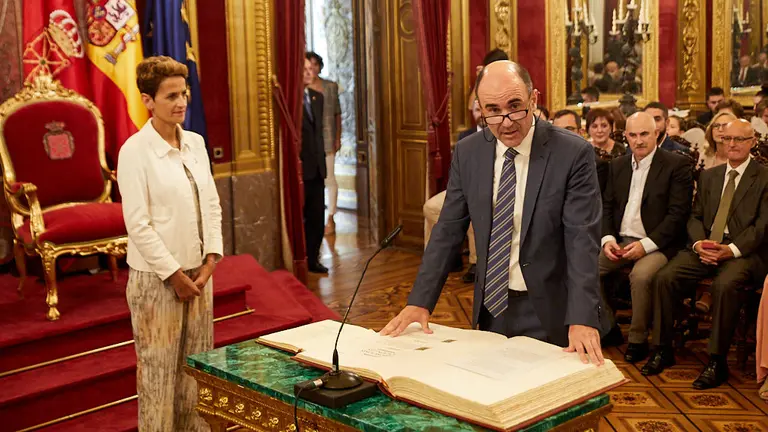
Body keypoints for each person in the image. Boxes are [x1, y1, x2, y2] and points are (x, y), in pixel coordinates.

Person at [381, 61, 606, 366]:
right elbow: (447, 230)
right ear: (481, 110)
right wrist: (420, 300)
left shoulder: (572, 153)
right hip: (492, 306)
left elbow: (582, 241)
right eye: (493, 110)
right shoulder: (469, 152)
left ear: (534, 99)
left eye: (516, 106)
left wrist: (582, 316)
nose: (506, 121)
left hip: (551, 309)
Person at [117, 56, 223, 430]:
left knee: (198, 374)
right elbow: (139, 226)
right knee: (159, 378)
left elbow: (211, 203)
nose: (181, 102)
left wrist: (211, 260)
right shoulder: (134, 151)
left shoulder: (195, 143)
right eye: (171, 96)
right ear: (148, 100)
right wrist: (175, 275)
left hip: (200, 277)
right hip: (157, 282)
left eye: (185, 93)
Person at [642, 119, 768, 390]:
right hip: (705, 248)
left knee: (724, 285)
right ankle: (662, 349)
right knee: (665, 277)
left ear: (752, 142)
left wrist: (730, 250)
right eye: (727, 139)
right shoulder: (710, 176)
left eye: (739, 139)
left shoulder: (764, 177)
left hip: (744, 254)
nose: (732, 144)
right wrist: (700, 243)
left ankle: (716, 360)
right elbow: (694, 216)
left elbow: (762, 227)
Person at [599, 112, 693, 363]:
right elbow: (606, 207)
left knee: (640, 277)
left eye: (644, 134)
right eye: (633, 135)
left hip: (658, 244)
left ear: (657, 134)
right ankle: (608, 328)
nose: (638, 141)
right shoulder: (617, 165)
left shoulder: (676, 165)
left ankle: (638, 340)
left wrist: (645, 246)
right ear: (625, 136)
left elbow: (677, 216)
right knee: (583, 266)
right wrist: (608, 239)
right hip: (620, 241)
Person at [423, 98, 483, 283]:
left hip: (486, 190)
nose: (480, 114)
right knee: (431, 207)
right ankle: (444, 257)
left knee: (475, 211)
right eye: (476, 110)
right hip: (463, 187)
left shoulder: (501, 134)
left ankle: (476, 264)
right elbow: (457, 167)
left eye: (483, 109)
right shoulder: (466, 136)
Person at [305, 52, 343, 235]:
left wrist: (338, 137)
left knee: (330, 179)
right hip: (309, 144)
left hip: (327, 140)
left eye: (314, 65)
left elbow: (337, 113)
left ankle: (331, 217)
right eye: (307, 66)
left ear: (319, 66)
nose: (311, 70)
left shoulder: (330, 86)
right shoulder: (300, 90)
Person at [302, 57, 328, 273]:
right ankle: (301, 260)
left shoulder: (317, 98)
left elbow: (318, 134)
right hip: (301, 169)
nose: (309, 72)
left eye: (311, 68)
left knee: (317, 217)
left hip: (318, 168)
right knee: (302, 218)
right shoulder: (289, 101)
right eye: (304, 69)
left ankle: (314, 258)